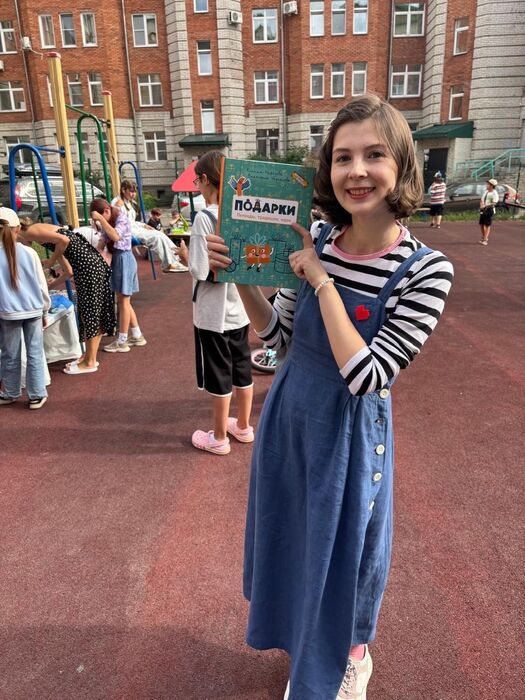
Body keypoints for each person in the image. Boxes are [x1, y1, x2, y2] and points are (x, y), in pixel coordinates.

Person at [207, 95, 454, 699]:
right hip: (291, 413)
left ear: (401, 165)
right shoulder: (316, 235)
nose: (356, 171)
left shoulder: (426, 270)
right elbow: (279, 339)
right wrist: (242, 279)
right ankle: (303, 646)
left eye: (374, 155)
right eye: (343, 157)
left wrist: (322, 280)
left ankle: (351, 657)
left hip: (350, 428)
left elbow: (368, 375)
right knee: (292, 534)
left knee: (350, 549)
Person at [189, 150, 254, 456]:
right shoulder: (240, 213)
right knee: (242, 367)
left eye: (197, 181)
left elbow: (199, 269)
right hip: (241, 307)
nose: (197, 186)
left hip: (213, 313)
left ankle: (218, 437)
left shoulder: (204, 218)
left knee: (219, 372)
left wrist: (185, 255)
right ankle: (243, 426)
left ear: (205, 179)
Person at [18, 218, 116, 375]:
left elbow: (63, 240)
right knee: (90, 313)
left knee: (90, 313)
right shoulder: (49, 240)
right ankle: (89, 356)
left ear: (16, 231)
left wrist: (50, 262)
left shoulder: (30, 231)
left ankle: (90, 361)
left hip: (88, 268)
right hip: (90, 266)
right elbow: (68, 270)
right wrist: (47, 287)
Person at [0, 207, 50, 408]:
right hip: (33, 309)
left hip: (8, 312)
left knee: (9, 353)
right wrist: (45, 309)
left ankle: (10, 391)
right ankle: (36, 393)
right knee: (35, 352)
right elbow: (41, 284)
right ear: (18, 228)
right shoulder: (30, 253)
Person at [89, 198, 147, 353]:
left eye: (101, 217)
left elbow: (115, 236)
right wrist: (91, 257)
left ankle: (122, 341)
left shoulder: (121, 218)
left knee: (123, 302)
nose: (100, 222)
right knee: (124, 301)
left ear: (106, 211)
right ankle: (137, 335)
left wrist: (101, 219)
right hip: (119, 259)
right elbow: (102, 242)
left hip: (124, 259)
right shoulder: (108, 220)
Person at [112, 183, 188, 273]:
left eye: (135, 192)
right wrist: (117, 207)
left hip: (135, 228)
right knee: (156, 237)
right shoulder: (117, 202)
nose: (133, 194)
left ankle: (176, 255)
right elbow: (116, 220)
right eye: (131, 192)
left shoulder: (129, 202)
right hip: (128, 231)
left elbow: (131, 221)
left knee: (160, 233)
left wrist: (143, 225)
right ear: (123, 190)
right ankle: (168, 264)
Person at [478, 178, 499, 245]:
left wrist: (485, 205)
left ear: (492, 185)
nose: (486, 185)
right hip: (483, 209)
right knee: (481, 224)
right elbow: (481, 200)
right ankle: (484, 237)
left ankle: (485, 240)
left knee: (487, 225)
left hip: (489, 210)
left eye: (488, 184)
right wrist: (481, 206)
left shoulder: (494, 193)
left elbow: (494, 203)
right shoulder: (486, 192)